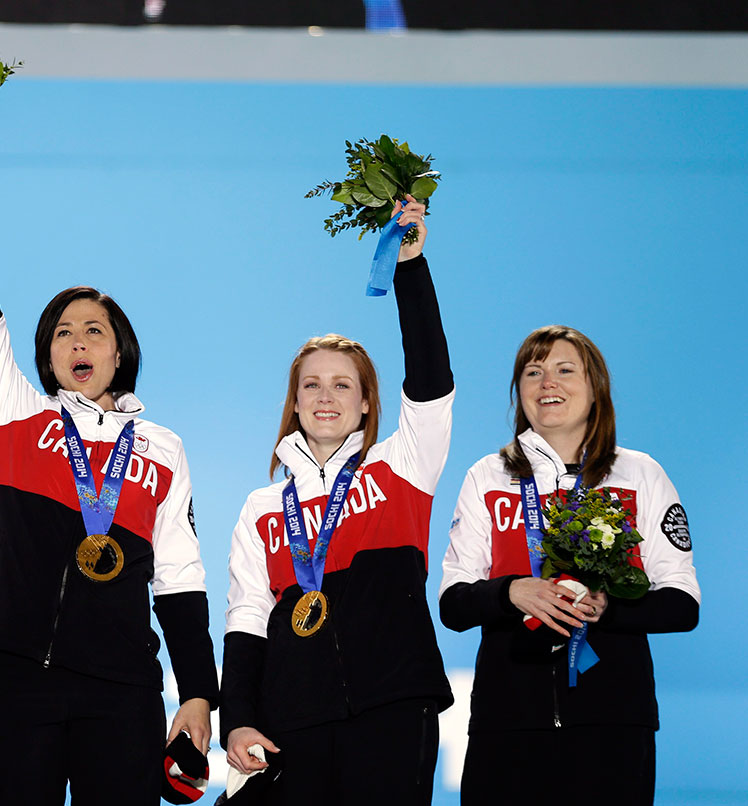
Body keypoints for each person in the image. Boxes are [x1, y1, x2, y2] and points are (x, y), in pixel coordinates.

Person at [0, 115, 219, 805]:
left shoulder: (162, 448)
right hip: (15, 676)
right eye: (62, 332)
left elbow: (179, 577)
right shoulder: (16, 415)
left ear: (120, 351)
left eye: (94, 330)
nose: (78, 342)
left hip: (121, 689)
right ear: (47, 355)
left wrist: (199, 692)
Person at [219, 199, 453, 804]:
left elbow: (431, 382)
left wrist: (410, 267)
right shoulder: (262, 507)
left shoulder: (402, 466)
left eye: (342, 384)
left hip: (393, 709)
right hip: (293, 721)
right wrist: (237, 718)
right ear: (295, 403)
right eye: (312, 385)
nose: (326, 397)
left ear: (367, 402)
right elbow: (248, 618)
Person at [439, 325, 700, 805]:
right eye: (533, 372)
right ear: (519, 391)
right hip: (507, 723)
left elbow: (683, 605)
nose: (547, 383)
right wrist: (510, 592)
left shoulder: (640, 473)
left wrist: (609, 606)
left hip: (613, 725)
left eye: (564, 370)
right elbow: (453, 605)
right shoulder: (488, 475)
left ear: (595, 388)